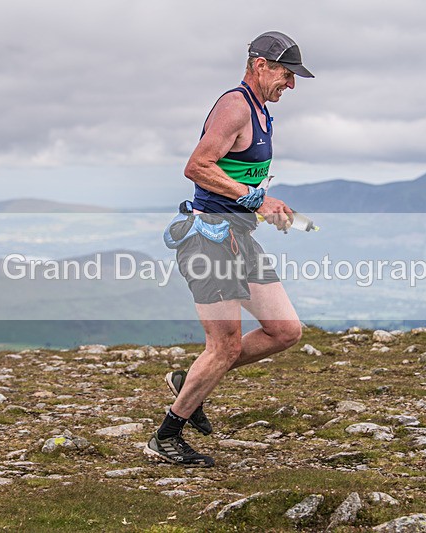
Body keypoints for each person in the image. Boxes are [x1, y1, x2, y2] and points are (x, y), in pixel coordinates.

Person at [144, 31, 314, 467]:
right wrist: (257, 198)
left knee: (285, 330)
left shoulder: (261, 111)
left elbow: (233, 183)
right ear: (260, 66)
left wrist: (262, 209)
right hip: (206, 239)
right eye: (286, 74)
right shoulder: (235, 106)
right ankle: (166, 436)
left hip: (240, 235)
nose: (290, 85)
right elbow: (197, 167)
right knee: (224, 346)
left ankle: (191, 382)